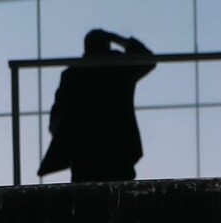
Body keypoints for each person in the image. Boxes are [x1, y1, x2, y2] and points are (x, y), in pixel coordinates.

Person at [38, 29, 156, 184]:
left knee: (86, 196)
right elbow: (148, 58)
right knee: (120, 196)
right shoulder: (118, 69)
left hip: (85, 156)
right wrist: (117, 38)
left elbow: (56, 116)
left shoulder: (74, 74)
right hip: (117, 153)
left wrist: (66, 140)